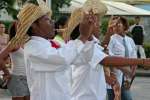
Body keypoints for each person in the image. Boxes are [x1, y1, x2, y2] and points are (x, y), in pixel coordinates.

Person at [0, 1, 96, 100]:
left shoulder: (52, 43)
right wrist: (83, 36)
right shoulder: (32, 47)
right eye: (47, 20)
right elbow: (63, 58)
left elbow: (83, 59)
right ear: (34, 25)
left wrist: (89, 38)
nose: (52, 22)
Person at [66, 0, 150, 100]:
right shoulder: (83, 45)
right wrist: (142, 61)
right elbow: (105, 59)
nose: (100, 24)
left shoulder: (90, 43)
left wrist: (108, 35)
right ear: (87, 26)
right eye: (96, 22)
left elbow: (99, 54)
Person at [5, 21, 30, 100]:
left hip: (28, 77)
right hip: (17, 77)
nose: (22, 27)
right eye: (19, 26)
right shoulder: (13, 42)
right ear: (14, 30)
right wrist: (7, 73)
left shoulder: (26, 42)